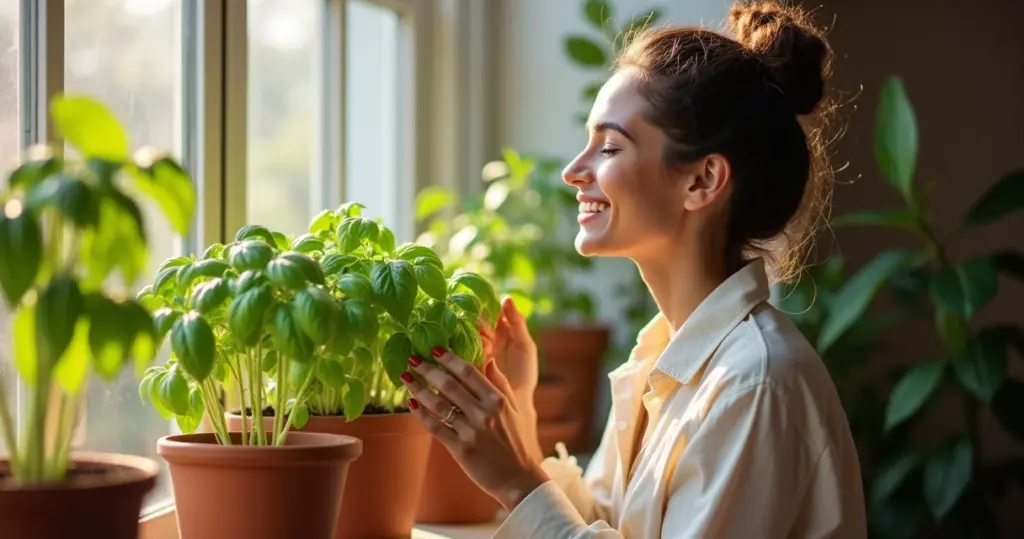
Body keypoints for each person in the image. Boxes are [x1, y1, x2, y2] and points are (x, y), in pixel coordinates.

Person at [399, 1, 868, 537]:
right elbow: (607, 523)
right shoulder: (661, 353)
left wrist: (517, 483)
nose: (574, 171)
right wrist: (519, 422)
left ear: (702, 182)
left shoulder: (754, 382)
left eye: (609, 147)